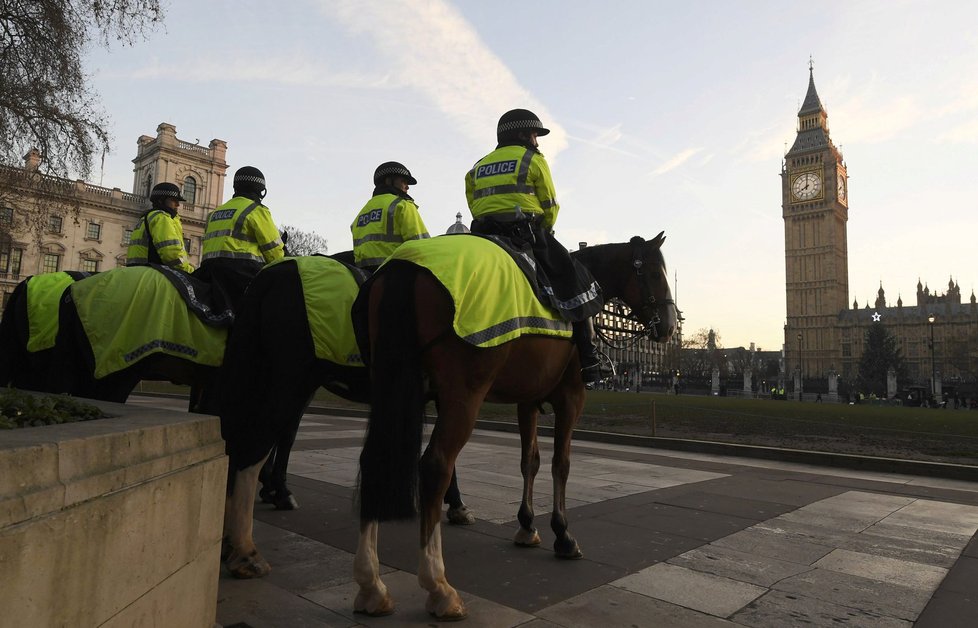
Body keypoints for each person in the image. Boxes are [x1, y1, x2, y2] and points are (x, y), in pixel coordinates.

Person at [465, 108, 604, 381]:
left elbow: (473, 202)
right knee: (575, 281)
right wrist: (546, 231)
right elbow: (550, 204)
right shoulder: (533, 160)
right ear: (521, 135)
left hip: (483, 232)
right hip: (524, 233)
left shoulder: (478, 166)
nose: (537, 141)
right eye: (534, 135)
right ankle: (589, 359)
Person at [195, 166, 285, 314]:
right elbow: (274, 252)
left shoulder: (214, 213)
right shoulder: (256, 210)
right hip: (241, 274)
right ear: (259, 189)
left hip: (207, 273)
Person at [351, 162, 430, 271]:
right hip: (396, 275)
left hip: (364, 278)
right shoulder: (402, 205)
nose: (407, 187)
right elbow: (422, 247)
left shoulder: (361, 214)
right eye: (404, 181)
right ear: (389, 181)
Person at [127, 182, 194, 273]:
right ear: (160, 200)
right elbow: (171, 253)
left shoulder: (146, 217)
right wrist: (190, 272)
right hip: (153, 272)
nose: (178, 204)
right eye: (174, 200)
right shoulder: (162, 218)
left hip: (136, 271)